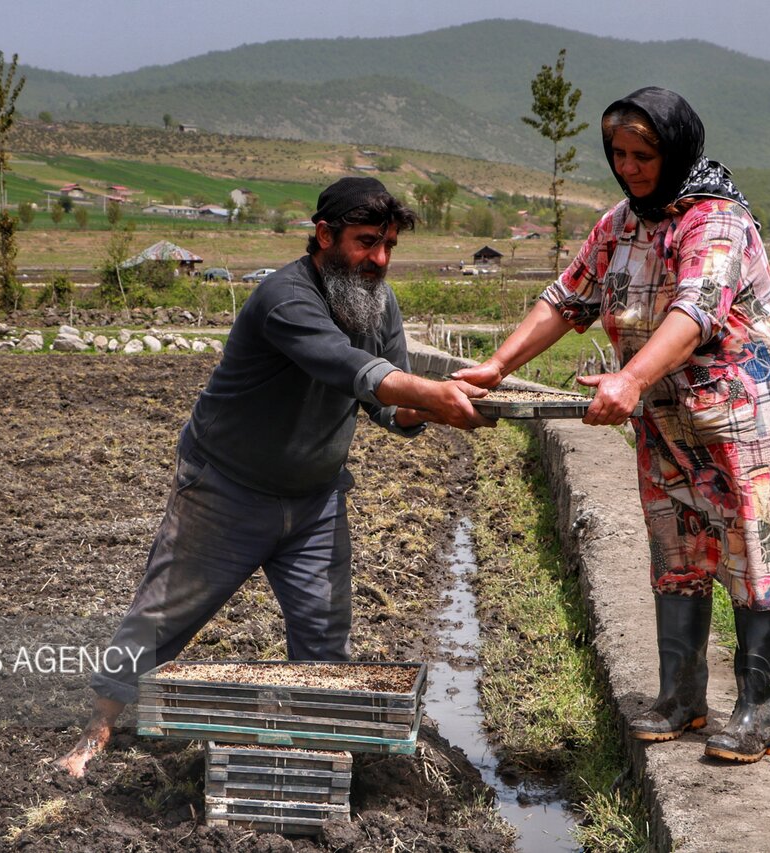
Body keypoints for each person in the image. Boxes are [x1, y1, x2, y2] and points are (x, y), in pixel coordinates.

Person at [54, 177, 494, 777]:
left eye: (389, 244)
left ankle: (312, 749)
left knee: (324, 634)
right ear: (324, 236)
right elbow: (347, 366)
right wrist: (428, 392)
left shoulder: (378, 303)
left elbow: (389, 404)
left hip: (314, 499)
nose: (380, 260)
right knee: (163, 616)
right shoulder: (285, 297)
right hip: (226, 490)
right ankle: (96, 730)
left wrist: (442, 402)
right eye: (367, 242)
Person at [454, 87, 770, 764]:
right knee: (674, 548)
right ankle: (680, 698)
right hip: (665, 413)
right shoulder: (621, 223)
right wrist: (497, 365)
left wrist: (630, 379)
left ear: (675, 150)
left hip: (746, 417)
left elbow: (695, 311)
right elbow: (567, 297)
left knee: (756, 550)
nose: (630, 167)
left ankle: (757, 713)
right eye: (618, 154)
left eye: (643, 154)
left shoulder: (716, 222)